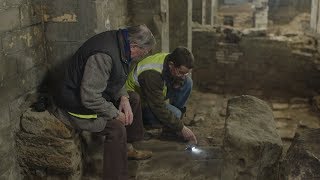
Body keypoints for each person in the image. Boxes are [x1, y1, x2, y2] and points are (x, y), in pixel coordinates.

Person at [52, 24, 156, 180]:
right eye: (144, 52)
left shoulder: (121, 43)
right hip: (74, 104)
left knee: (133, 98)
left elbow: (118, 74)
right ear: (134, 46)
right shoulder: (104, 55)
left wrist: (124, 98)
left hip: (93, 94)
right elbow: (90, 97)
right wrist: (115, 114)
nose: (143, 56)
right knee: (116, 128)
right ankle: (116, 176)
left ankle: (128, 148)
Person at [126, 47, 197, 144]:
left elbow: (178, 79)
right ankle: (148, 124)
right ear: (171, 65)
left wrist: (179, 80)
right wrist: (181, 127)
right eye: (181, 72)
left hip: (152, 95)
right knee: (176, 114)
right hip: (137, 106)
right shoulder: (151, 74)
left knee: (187, 82)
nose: (183, 75)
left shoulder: (171, 59)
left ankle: (170, 128)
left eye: (186, 73)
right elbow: (157, 107)